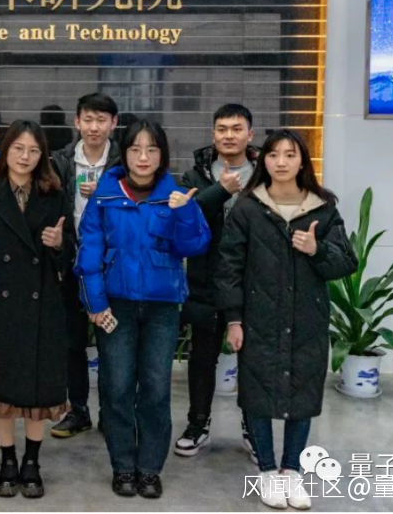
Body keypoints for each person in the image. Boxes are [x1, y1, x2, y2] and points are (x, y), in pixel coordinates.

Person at [216, 129, 357, 511]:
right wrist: (234, 320)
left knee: (303, 393)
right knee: (257, 394)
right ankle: (266, 471)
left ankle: (291, 470)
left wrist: (316, 249)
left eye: (290, 154)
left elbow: (346, 262)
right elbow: (228, 267)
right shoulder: (247, 208)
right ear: (263, 160)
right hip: (258, 318)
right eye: (274, 154)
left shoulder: (322, 207)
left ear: (302, 161)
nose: (281, 162)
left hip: (308, 319)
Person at [74, 119, 210, 500]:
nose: (143, 157)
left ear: (162, 155)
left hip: (161, 308)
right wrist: (95, 304)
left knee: (155, 388)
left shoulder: (176, 196)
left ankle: (149, 468)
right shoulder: (105, 196)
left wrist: (185, 212)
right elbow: (89, 252)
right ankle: (122, 465)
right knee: (116, 387)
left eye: (152, 149)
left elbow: (194, 245)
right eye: (136, 149)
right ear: (125, 153)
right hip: (115, 306)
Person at [0, 120, 75, 499]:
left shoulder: (54, 193)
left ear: (42, 155)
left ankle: (32, 460)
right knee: (2, 386)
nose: (25, 157)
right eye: (18, 149)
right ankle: (7, 460)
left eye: (33, 150)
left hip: (42, 302)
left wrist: (59, 244)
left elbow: (71, 249)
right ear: (6, 150)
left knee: (38, 388)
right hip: (0, 304)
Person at [174, 103, 259, 458]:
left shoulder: (264, 174)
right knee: (202, 358)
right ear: (213, 134)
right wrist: (220, 190)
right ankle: (198, 424)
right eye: (222, 129)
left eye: (236, 129)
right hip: (206, 279)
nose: (229, 135)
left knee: (253, 361)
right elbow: (183, 216)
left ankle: (255, 428)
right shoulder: (195, 175)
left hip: (252, 283)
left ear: (249, 134)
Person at [49, 92, 121, 439]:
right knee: (71, 343)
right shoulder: (60, 161)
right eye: (88, 119)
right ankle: (77, 411)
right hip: (71, 262)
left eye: (101, 120)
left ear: (113, 123)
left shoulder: (123, 161)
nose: (94, 127)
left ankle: (112, 413)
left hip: (110, 265)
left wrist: (106, 193)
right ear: (77, 122)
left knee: (113, 343)